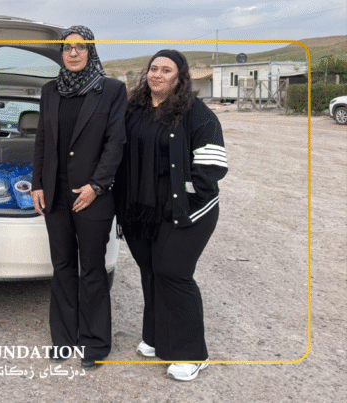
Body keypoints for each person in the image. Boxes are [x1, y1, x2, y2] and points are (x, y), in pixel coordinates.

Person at [114, 49, 227, 381]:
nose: (157, 74)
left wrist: (187, 193)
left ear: (180, 77)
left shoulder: (197, 113)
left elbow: (213, 166)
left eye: (166, 70)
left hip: (185, 210)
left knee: (173, 273)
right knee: (150, 271)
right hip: (140, 210)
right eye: (153, 68)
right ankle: (156, 337)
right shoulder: (134, 109)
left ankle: (193, 355)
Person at [31, 26, 127, 370]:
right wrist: (37, 184)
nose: (73, 53)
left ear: (91, 51)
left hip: (93, 196)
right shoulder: (49, 90)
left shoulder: (111, 90)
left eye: (80, 47)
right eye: (67, 48)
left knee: (93, 269)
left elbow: (116, 142)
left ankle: (95, 342)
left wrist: (96, 185)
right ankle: (63, 338)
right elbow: (42, 139)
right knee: (62, 266)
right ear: (61, 53)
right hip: (55, 195)